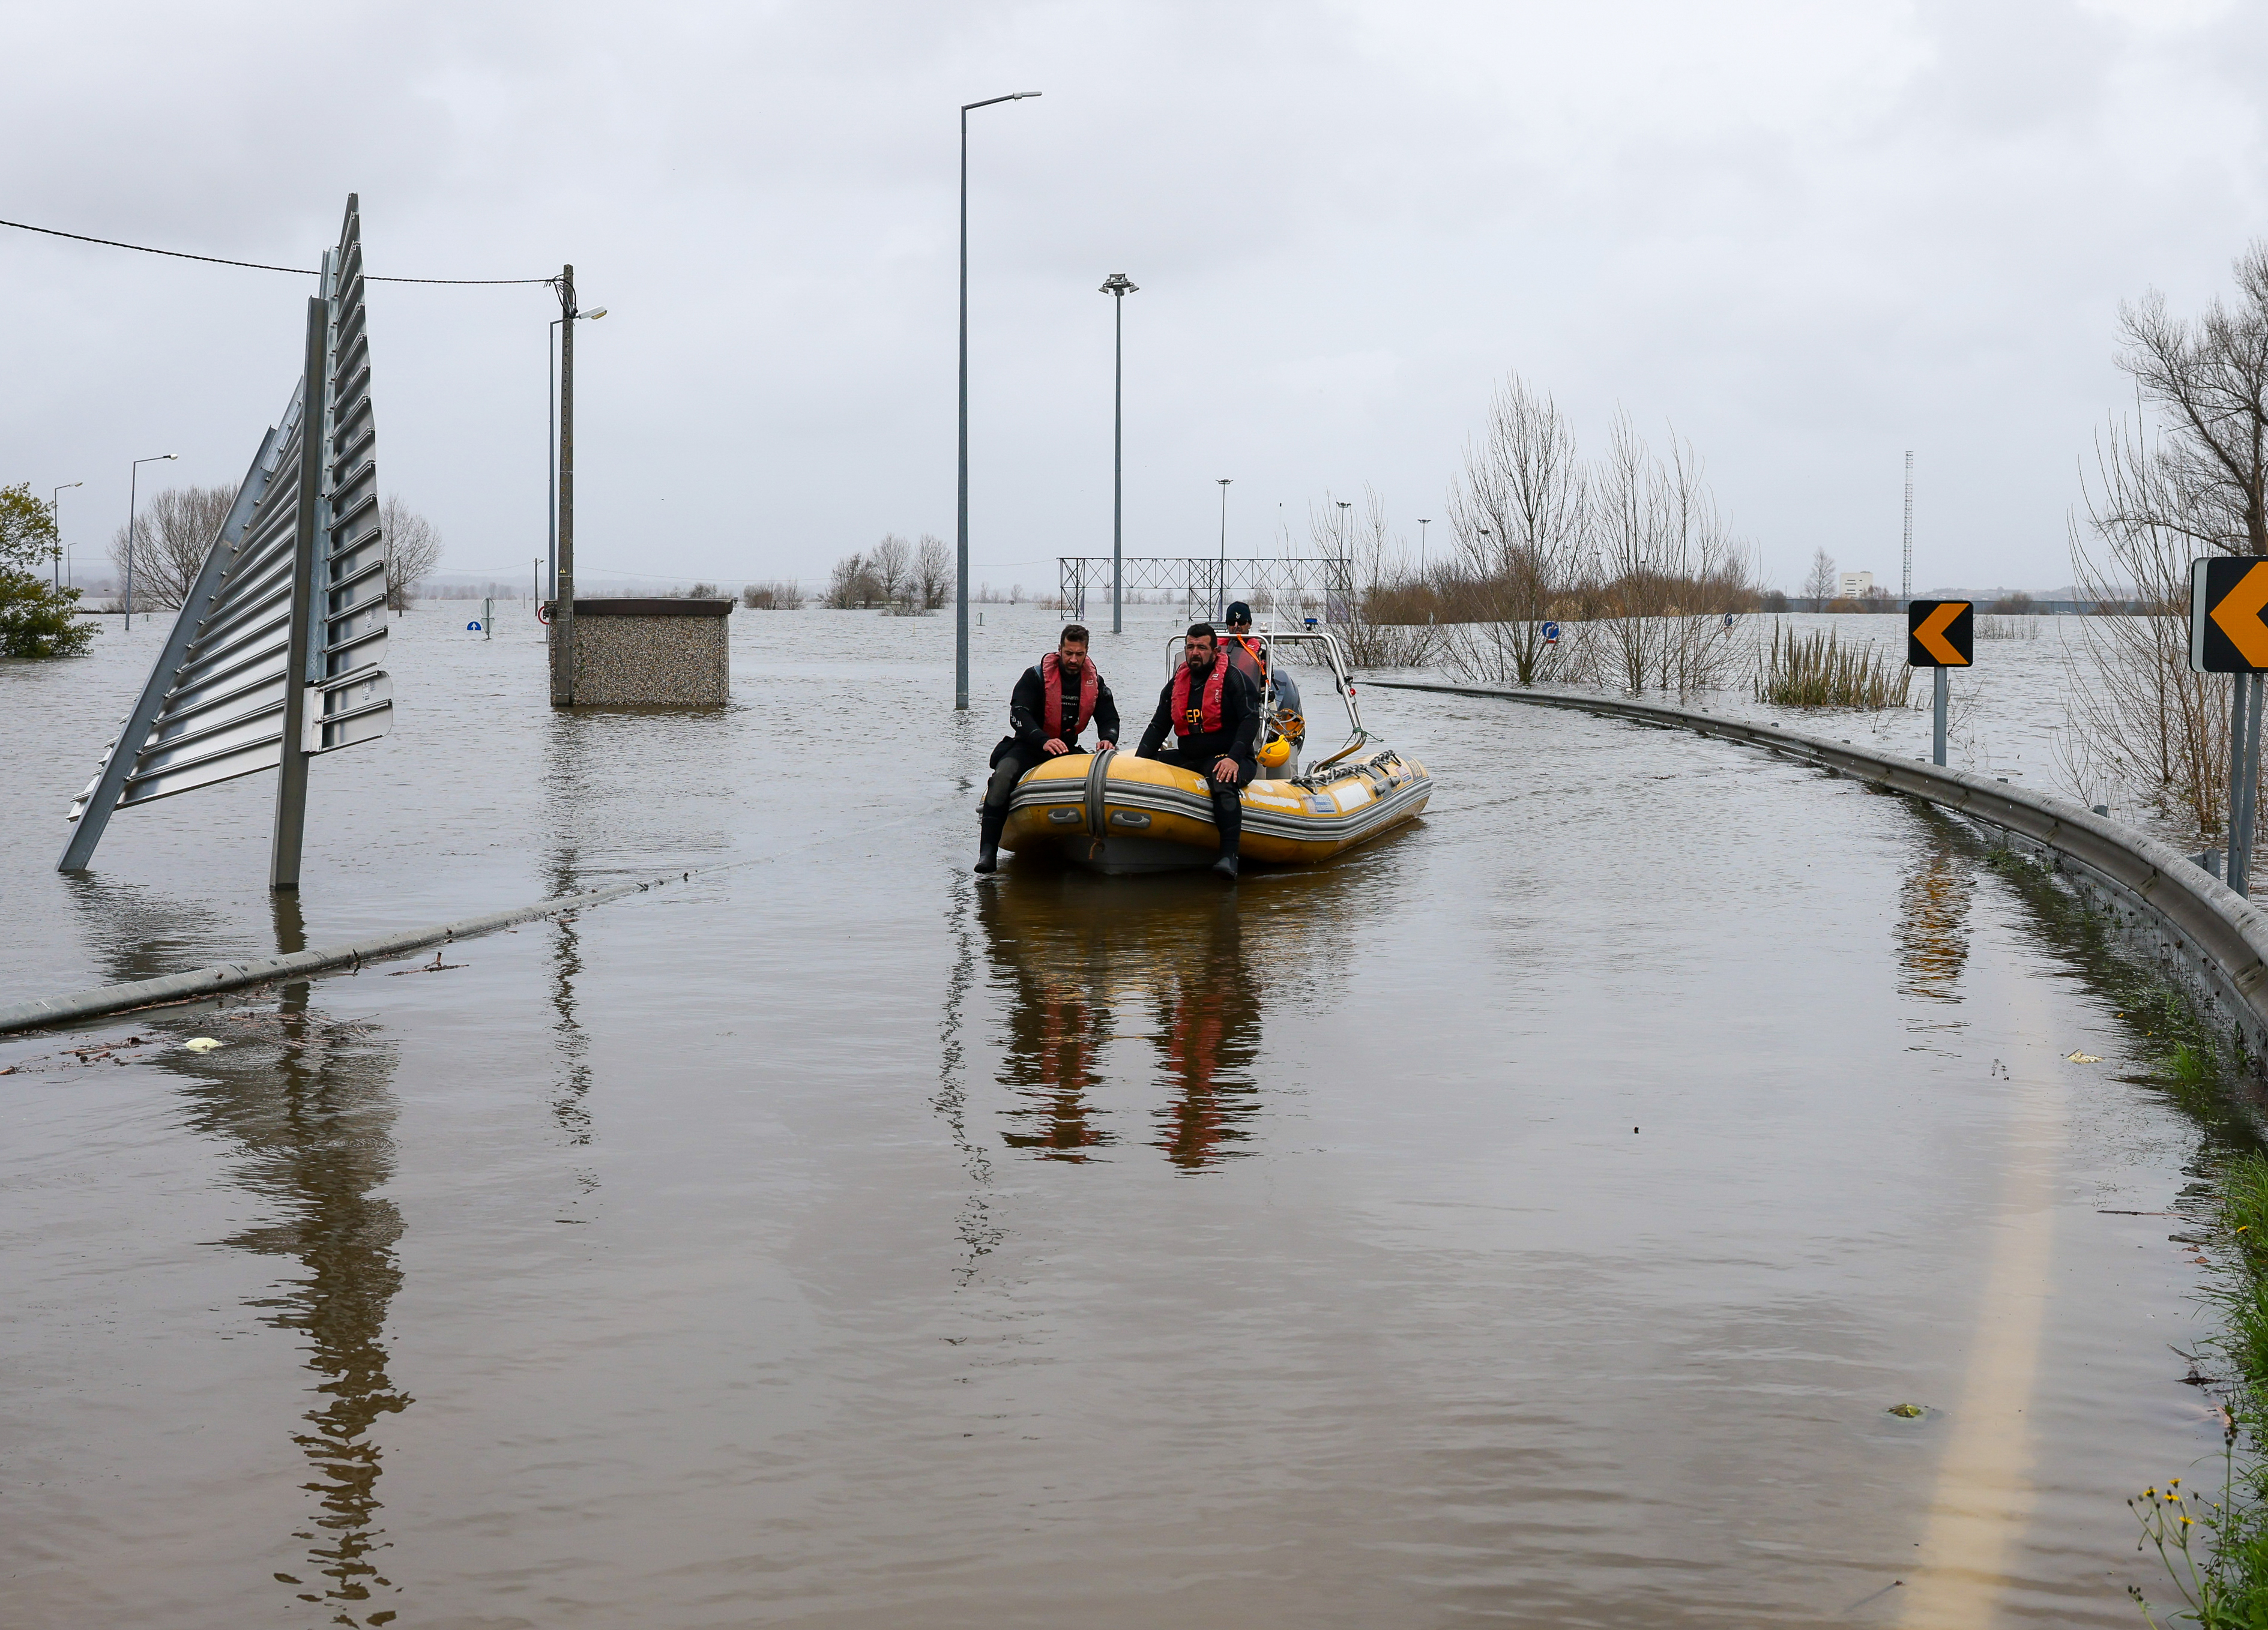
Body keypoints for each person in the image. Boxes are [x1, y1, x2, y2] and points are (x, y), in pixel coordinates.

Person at [976, 625, 1118, 874]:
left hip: (1066, 748)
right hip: (1029, 745)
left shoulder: (1094, 682)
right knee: (1001, 779)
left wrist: (1107, 738)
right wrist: (1042, 739)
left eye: (1079, 654)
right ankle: (988, 852)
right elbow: (1018, 714)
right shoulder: (1035, 677)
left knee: (1101, 779)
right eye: (1068, 653)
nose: (1074, 660)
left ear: (1086, 653)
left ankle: (1091, 846)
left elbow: (1109, 718)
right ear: (1060, 650)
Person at [1135, 623, 1261, 880]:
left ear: (1215, 652)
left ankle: (1229, 857)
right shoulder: (1176, 685)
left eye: (1202, 648)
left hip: (1230, 756)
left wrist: (1234, 758)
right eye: (1190, 647)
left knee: (1222, 781)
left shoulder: (1235, 679)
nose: (1195, 653)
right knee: (1150, 767)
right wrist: (1138, 764)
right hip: (1190, 756)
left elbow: (1250, 721)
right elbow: (1159, 725)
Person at [1220, 601, 1301, 774]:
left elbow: (1265, 681)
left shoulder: (1260, 652)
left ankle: (1285, 774)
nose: (1236, 627)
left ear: (1249, 624)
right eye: (1232, 623)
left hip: (1256, 702)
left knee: (1277, 731)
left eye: (1241, 623)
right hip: (1221, 703)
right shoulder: (1216, 649)